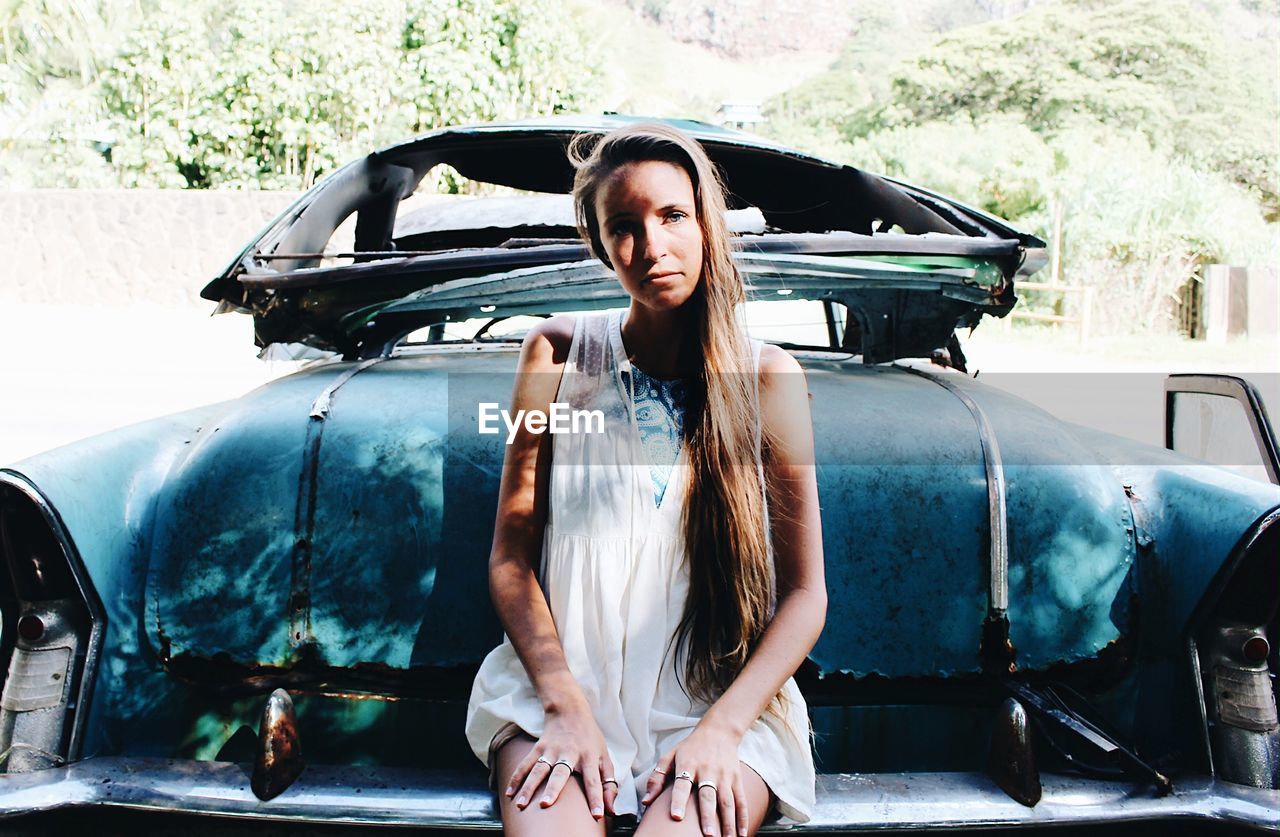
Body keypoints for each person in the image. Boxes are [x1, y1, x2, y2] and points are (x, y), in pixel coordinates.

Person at [465, 122, 826, 837]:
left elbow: (805, 593)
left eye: (672, 216)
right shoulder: (557, 354)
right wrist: (564, 704)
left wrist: (721, 731)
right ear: (599, 245)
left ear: (705, 224)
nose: (652, 246)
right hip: (560, 695)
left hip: (719, 705)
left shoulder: (766, 378)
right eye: (623, 227)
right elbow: (511, 557)